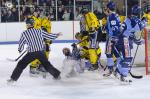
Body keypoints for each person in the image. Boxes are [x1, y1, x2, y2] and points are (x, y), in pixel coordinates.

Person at [7, 18, 62, 83]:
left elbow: (21, 43)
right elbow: (49, 36)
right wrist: (57, 35)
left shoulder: (24, 33)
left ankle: (12, 79)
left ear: (27, 25)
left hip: (31, 53)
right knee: (47, 65)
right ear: (33, 24)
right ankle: (57, 75)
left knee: (21, 64)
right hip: (41, 52)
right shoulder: (39, 31)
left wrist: (20, 50)